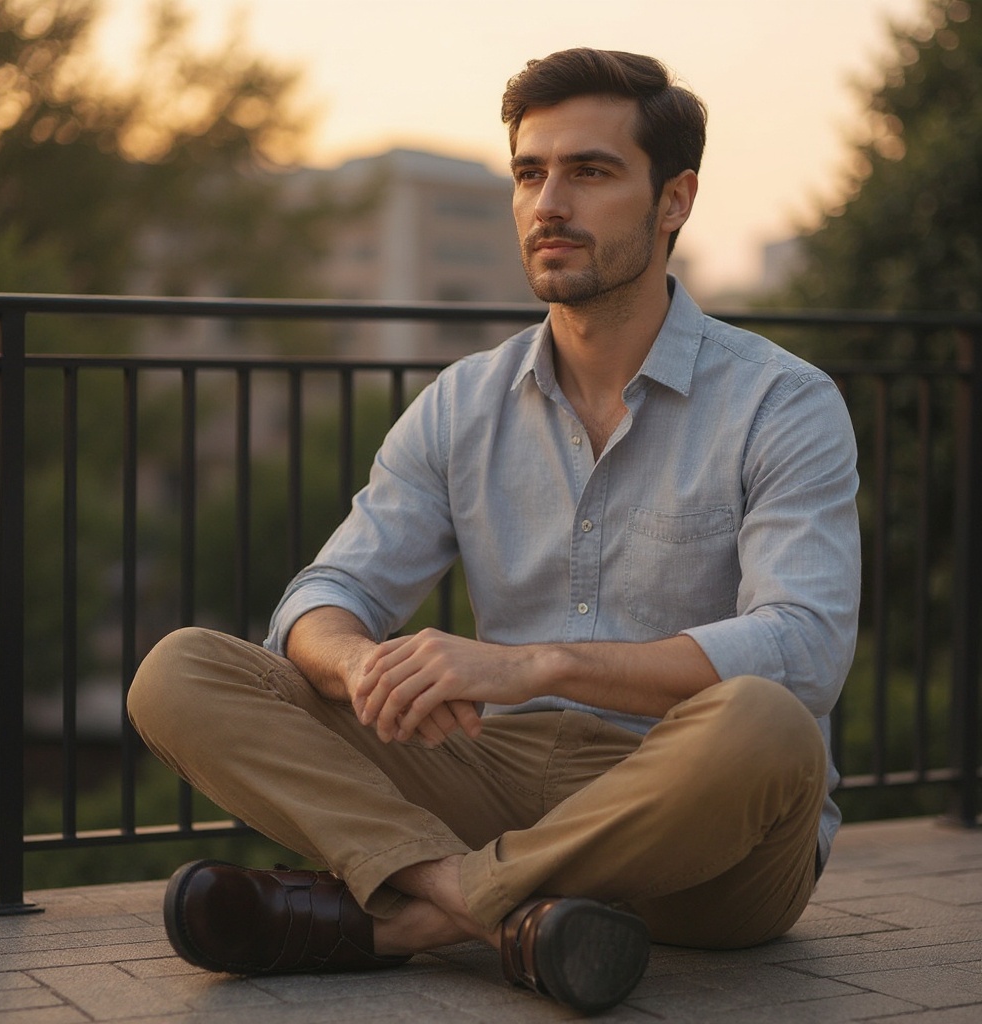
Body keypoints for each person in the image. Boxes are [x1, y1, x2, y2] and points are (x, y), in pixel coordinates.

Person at [128, 47, 860, 1015]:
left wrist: (533, 665)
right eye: (529, 172)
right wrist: (360, 668)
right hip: (491, 776)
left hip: (699, 826)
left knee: (767, 718)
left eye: (589, 172)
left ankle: (401, 920)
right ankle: (501, 913)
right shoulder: (460, 403)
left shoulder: (781, 402)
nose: (547, 202)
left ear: (673, 200)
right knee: (182, 668)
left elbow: (805, 646)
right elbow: (324, 597)